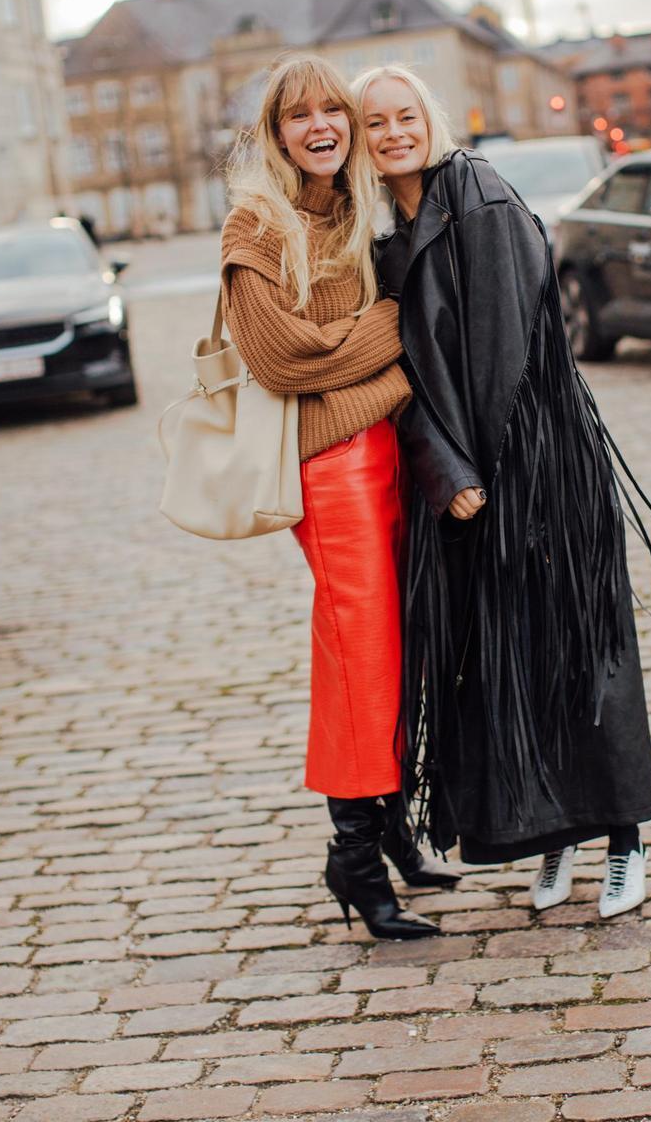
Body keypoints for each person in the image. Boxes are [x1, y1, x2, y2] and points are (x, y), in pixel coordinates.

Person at [355, 64, 651, 919]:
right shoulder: (381, 227)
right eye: (376, 123)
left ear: (428, 118)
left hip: (534, 469)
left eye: (406, 114)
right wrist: (446, 472)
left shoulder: (478, 196)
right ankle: (553, 833)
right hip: (467, 477)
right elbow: (404, 372)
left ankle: (623, 839)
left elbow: (508, 357)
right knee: (504, 660)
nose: (394, 131)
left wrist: (488, 477)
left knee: (579, 649)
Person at [221, 56, 457, 942]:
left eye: (334, 111)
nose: (320, 124)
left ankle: (390, 825)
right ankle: (353, 853)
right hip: (330, 467)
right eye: (299, 114)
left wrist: (347, 340)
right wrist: (388, 327)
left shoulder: (361, 210)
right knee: (359, 649)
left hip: (391, 453)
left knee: (398, 639)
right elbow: (283, 359)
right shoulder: (256, 225)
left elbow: (337, 344)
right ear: (275, 132)